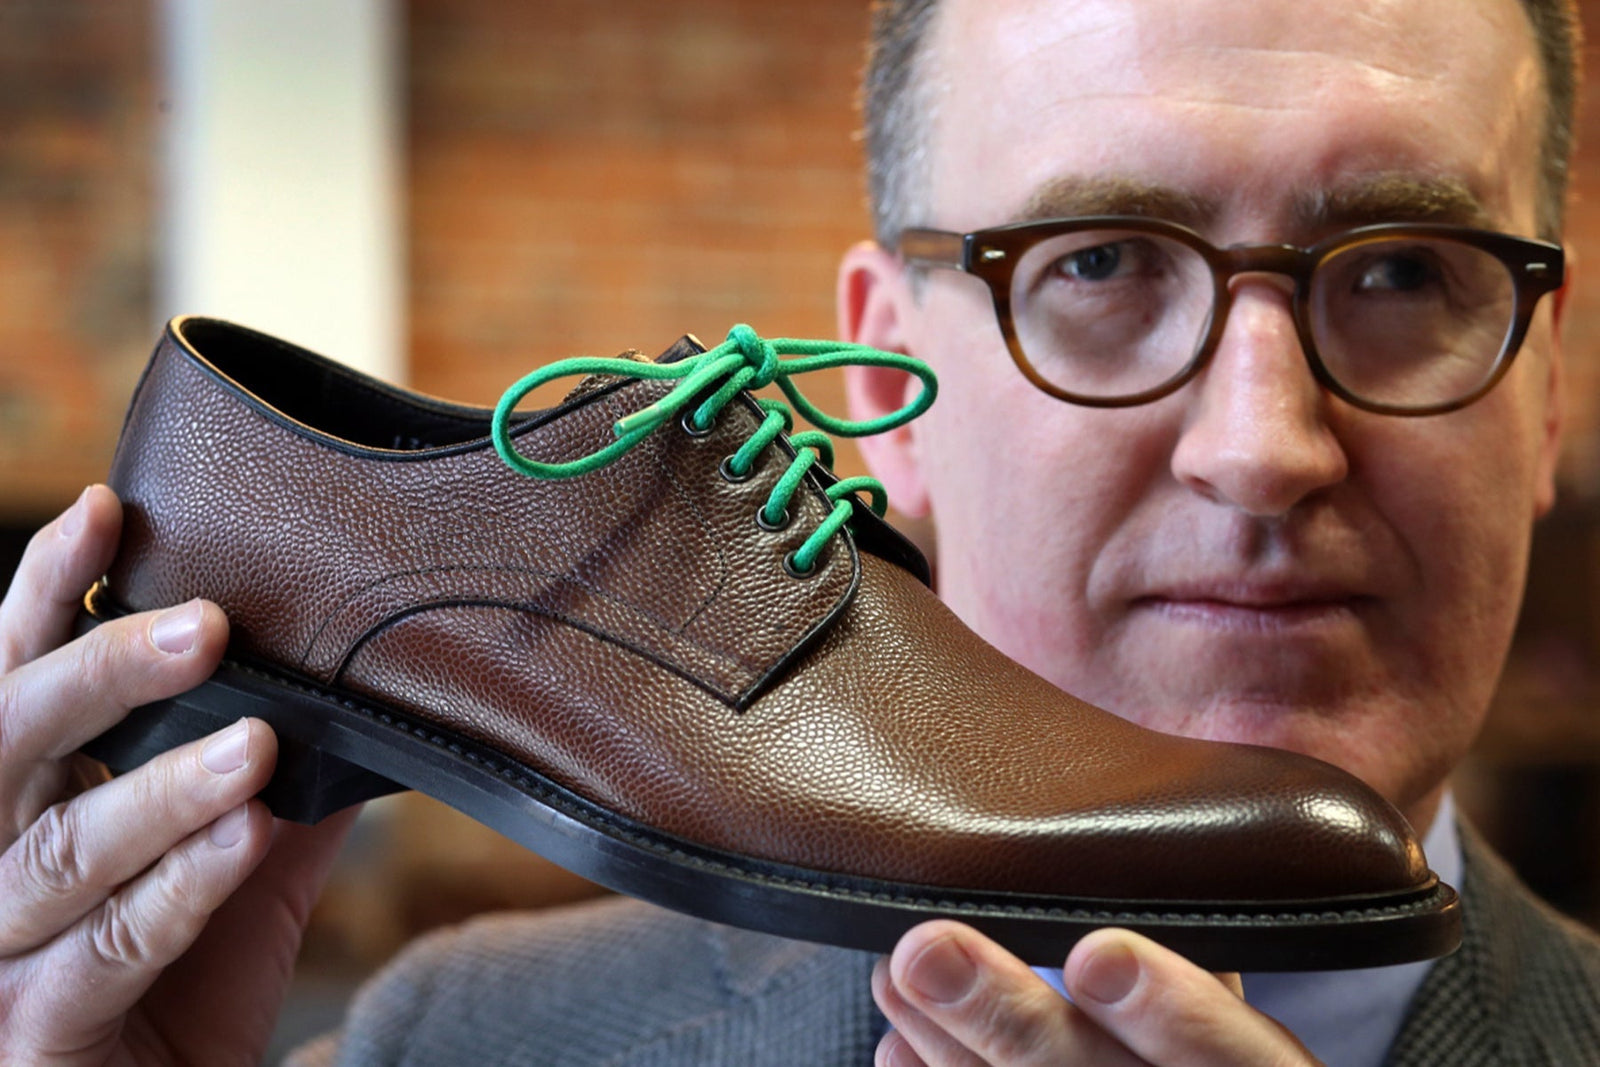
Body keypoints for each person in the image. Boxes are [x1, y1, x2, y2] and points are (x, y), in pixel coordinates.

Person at [1, 0, 1596, 1063]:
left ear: (1553, 395)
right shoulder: (456, 1036)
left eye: (1408, 275)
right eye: (1098, 266)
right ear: (883, 384)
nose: (1262, 449)